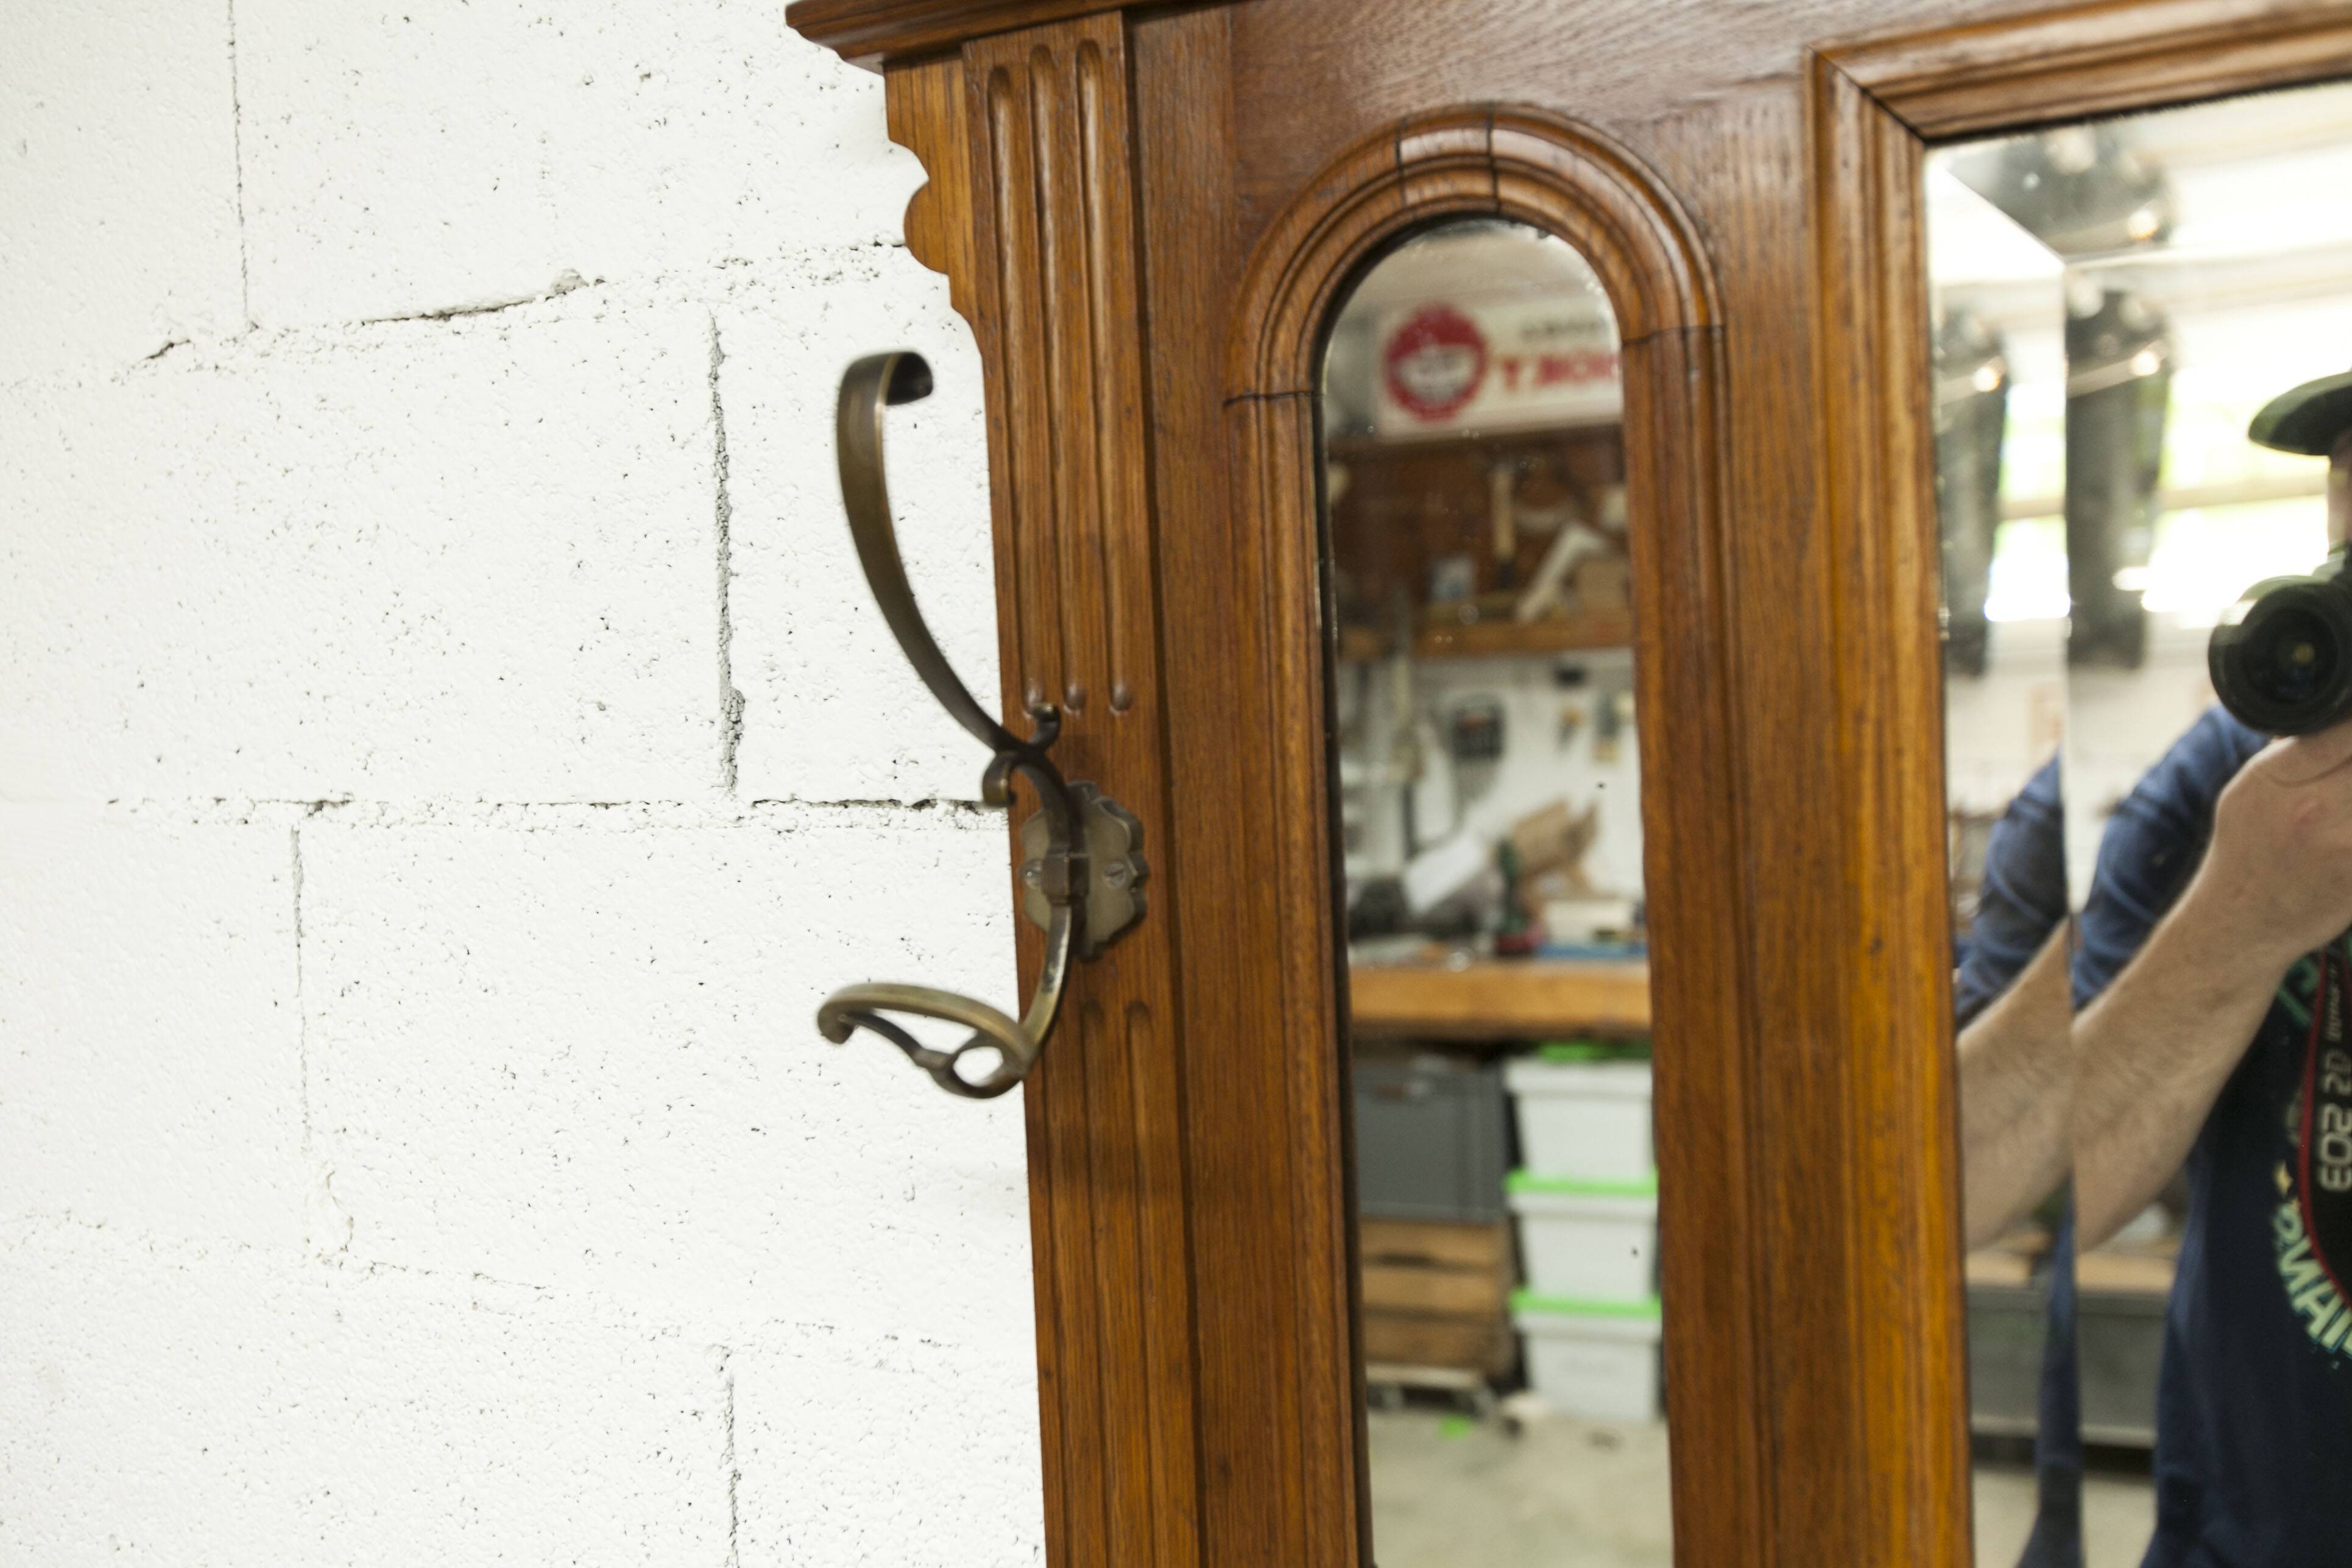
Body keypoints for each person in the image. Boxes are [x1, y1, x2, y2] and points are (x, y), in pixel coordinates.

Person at [1963, 365, 2352, 1568]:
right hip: (2248, 1528)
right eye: (2350, 491)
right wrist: (2238, 913)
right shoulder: (2242, 777)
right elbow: (1969, 1183)